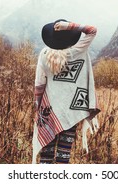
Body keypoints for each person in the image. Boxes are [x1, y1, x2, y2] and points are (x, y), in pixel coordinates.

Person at [32, 19, 100, 164]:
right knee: (64, 154)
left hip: (48, 112)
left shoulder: (44, 55)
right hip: (71, 111)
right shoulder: (77, 51)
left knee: (47, 153)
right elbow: (92, 30)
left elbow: (39, 85)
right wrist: (69, 26)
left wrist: (37, 108)